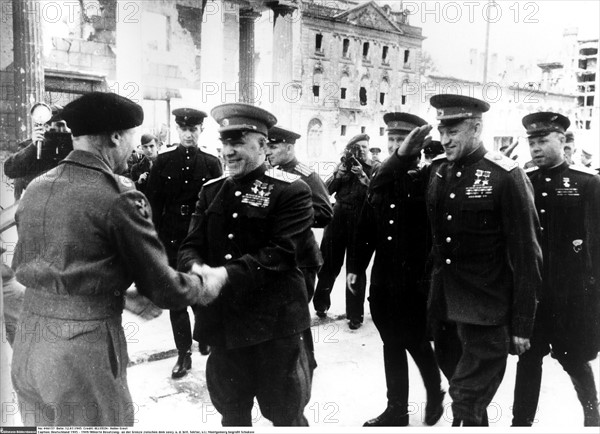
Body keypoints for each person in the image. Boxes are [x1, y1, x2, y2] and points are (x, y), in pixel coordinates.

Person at [10, 92, 205, 426]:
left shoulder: (37, 188)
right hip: (82, 354)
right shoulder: (119, 195)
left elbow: (51, 265)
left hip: (29, 343)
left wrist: (113, 292)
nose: (133, 147)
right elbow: (162, 288)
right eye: (131, 137)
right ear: (116, 136)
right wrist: (203, 283)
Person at [370, 94, 542, 426]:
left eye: (453, 131)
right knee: (467, 400)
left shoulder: (505, 175)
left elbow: (527, 255)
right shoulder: (437, 172)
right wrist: (403, 155)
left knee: (464, 400)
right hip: (444, 309)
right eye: (441, 131)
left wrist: (522, 323)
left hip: (487, 313)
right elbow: (380, 189)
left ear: (476, 128)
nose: (445, 140)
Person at [178, 103, 315, 426]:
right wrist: (197, 269)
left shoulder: (291, 190)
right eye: (225, 143)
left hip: (274, 330)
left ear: (263, 146)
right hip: (225, 328)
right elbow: (190, 245)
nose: (228, 151)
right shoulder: (211, 192)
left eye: (238, 142)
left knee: (285, 416)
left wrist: (224, 275)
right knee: (232, 414)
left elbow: (282, 252)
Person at [347, 113, 444, 427]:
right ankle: (397, 409)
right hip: (384, 277)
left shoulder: (424, 177)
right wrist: (356, 267)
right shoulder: (380, 178)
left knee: (414, 340)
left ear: (414, 146)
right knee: (391, 341)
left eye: (400, 141)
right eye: (390, 140)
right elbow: (366, 226)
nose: (393, 146)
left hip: (414, 278)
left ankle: (434, 391)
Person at [512, 112, 600, 427]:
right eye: (531, 142)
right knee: (528, 359)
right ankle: (520, 423)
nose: (535, 148)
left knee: (574, 358)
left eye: (542, 140)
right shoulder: (524, 181)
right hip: (535, 292)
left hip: (571, 293)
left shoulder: (586, 182)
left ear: (562, 140)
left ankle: (593, 416)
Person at [146, 107, 223, 378]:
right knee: (176, 299)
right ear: (177, 130)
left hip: (199, 238)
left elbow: (218, 207)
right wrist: (152, 240)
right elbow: (153, 204)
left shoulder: (212, 163)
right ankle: (183, 354)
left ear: (201, 131)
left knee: (201, 293)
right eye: (184, 129)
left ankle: (204, 335)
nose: (188, 134)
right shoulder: (164, 161)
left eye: (193, 129)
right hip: (170, 238)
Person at [313, 133, 379, 329]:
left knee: (355, 267)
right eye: (357, 148)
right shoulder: (343, 166)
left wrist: (363, 177)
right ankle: (321, 303)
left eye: (364, 147)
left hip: (361, 219)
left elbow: (377, 195)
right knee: (329, 263)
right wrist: (338, 175)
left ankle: (355, 315)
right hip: (338, 217)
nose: (362, 151)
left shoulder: (374, 168)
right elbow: (324, 192)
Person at [265, 125, 333, 301]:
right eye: (266, 146)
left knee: (297, 316)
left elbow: (325, 212)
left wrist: (294, 216)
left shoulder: (307, 176)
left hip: (301, 258)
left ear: (289, 148)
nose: (267, 152)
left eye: (273, 147)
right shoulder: (271, 173)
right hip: (278, 256)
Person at [3, 106, 72, 200]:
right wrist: (34, 147)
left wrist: (71, 137)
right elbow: (10, 169)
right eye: (49, 126)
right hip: (37, 200)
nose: (55, 130)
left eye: (60, 126)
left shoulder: (71, 143)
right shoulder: (32, 145)